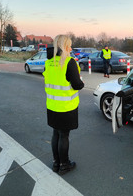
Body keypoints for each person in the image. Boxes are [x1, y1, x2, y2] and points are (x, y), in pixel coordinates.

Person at [43, 35, 84, 175]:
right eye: (69, 46)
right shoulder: (69, 62)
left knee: (56, 134)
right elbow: (77, 85)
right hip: (66, 107)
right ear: (64, 47)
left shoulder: (48, 62)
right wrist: (81, 81)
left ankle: (56, 163)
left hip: (52, 106)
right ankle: (64, 165)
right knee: (64, 135)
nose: (71, 48)